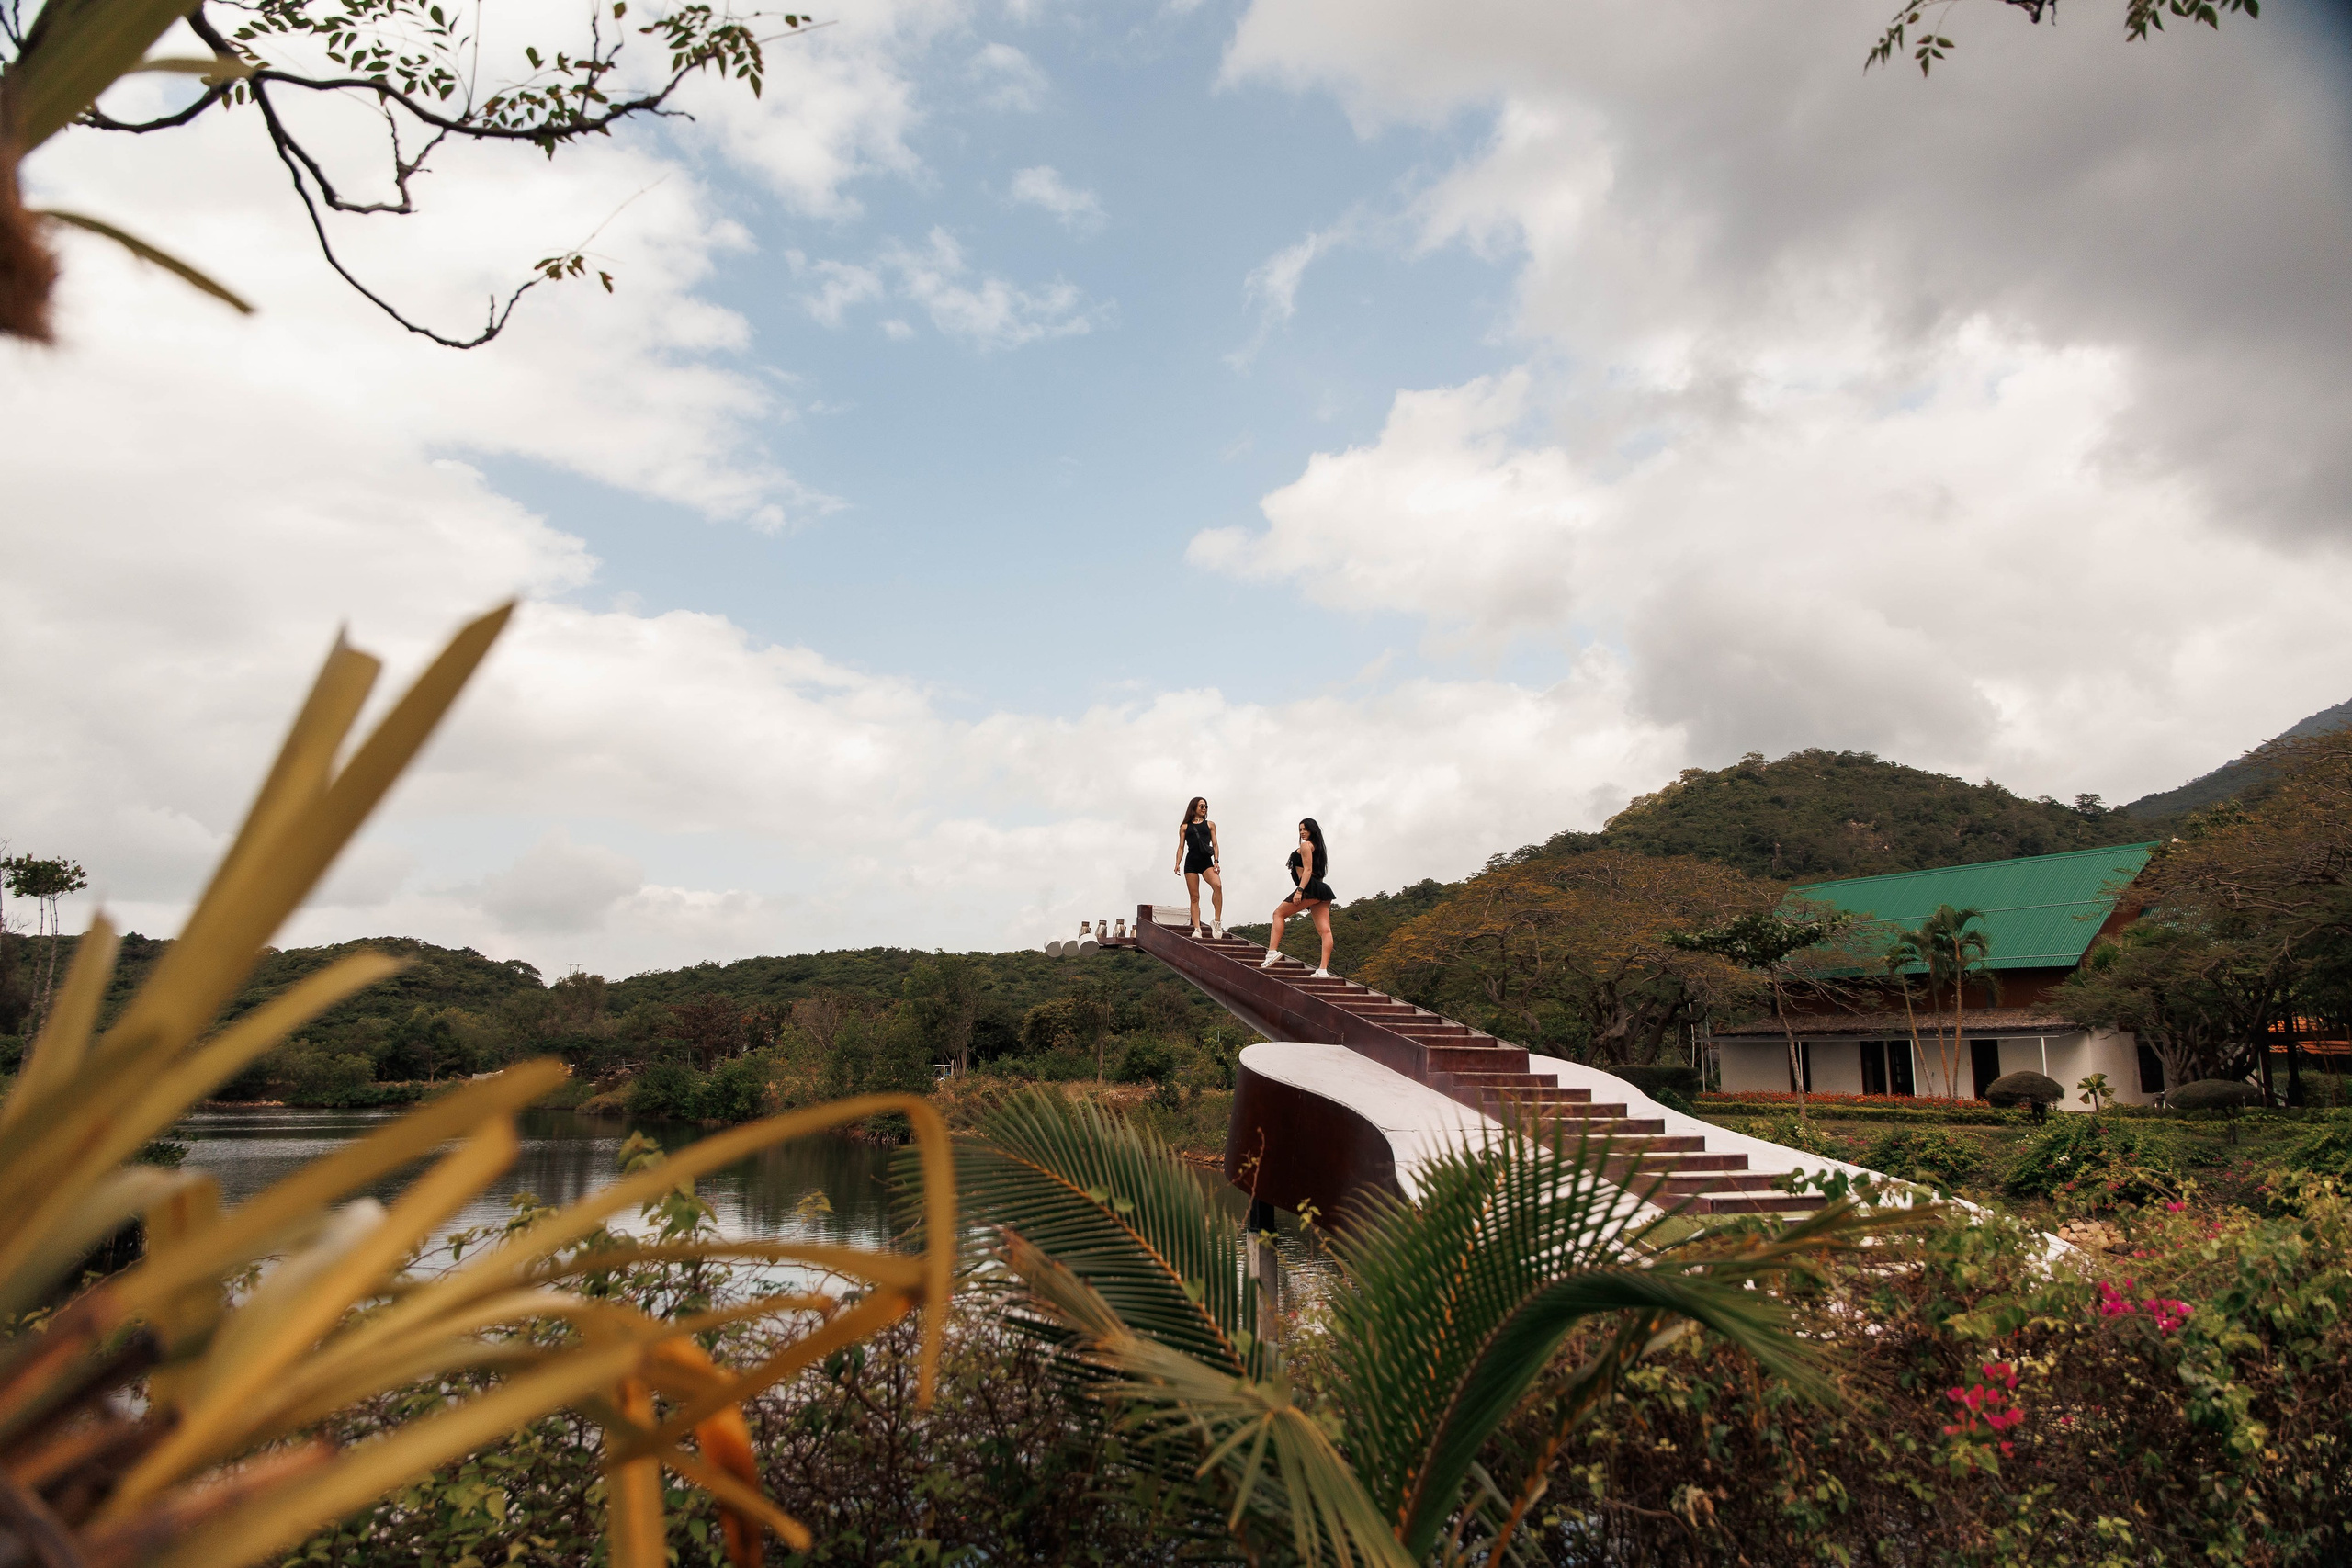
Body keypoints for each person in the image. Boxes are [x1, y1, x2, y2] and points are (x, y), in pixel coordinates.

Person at [1261, 818, 1336, 976]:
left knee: (1278, 914)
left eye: (1305, 829)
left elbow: (1307, 870)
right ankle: (1323, 970)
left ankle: (1272, 951)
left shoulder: (1306, 846)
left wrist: (1300, 890)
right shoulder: (1318, 847)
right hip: (1321, 889)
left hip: (1309, 888)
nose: (1302, 832)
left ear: (1312, 830)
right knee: (1325, 930)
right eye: (1300, 829)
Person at [1172, 795, 1224, 936]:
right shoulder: (1185, 827)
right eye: (1201, 806)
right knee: (1194, 897)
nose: (1204, 808)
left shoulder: (1210, 825)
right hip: (1191, 863)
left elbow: (1215, 844)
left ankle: (1217, 922)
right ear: (1194, 807)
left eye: (1206, 806)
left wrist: (1216, 861)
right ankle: (1197, 928)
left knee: (1217, 885)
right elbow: (1181, 847)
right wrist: (1177, 863)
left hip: (1206, 862)